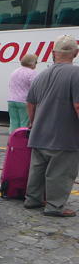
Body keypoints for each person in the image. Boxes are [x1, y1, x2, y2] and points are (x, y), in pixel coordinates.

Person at [23, 34, 79, 217]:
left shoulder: (42, 74)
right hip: (64, 135)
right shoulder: (76, 73)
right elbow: (77, 105)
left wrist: (33, 122)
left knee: (37, 169)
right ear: (75, 53)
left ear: (53, 52)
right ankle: (55, 206)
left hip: (39, 132)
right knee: (60, 172)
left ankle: (32, 200)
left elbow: (30, 103)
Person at [7, 54, 38, 133]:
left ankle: (12, 140)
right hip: (24, 101)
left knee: (13, 122)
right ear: (31, 63)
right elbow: (35, 87)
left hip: (11, 100)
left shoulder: (15, 71)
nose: (36, 64)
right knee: (24, 123)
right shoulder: (32, 73)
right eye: (36, 62)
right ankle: (22, 141)